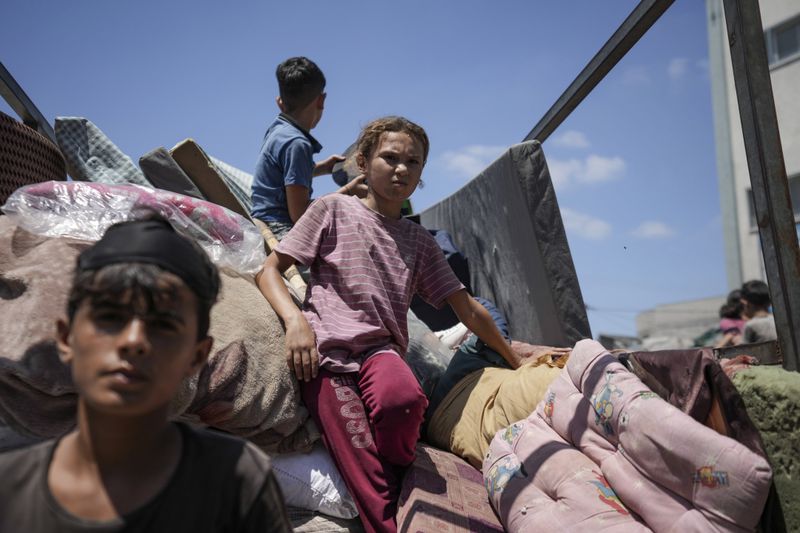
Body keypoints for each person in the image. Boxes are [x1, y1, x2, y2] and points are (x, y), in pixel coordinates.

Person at [255, 116, 524, 533]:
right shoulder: (332, 210)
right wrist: (295, 322)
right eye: (390, 158)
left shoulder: (420, 243)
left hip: (380, 351)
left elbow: (468, 310)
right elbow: (270, 270)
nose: (401, 169)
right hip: (326, 355)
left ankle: (399, 473)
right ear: (363, 162)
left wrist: (514, 359)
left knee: (405, 401)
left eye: (412, 162)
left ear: (421, 174)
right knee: (359, 454)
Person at [0, 217, 292, 533]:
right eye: (110, 317)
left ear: (196, 357)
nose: (134, 341)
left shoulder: (236, 477)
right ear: (67, 337)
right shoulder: (10, 485)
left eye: (163, 325)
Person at [251, 56, 366, 239]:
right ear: (321, 100)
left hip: (262, 221)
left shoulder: (278, 130)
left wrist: (322, 168)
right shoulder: (297, 144)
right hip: (280, 228)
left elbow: (281, 175)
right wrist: (348, 192)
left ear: (279, 102)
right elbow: (300, 215)